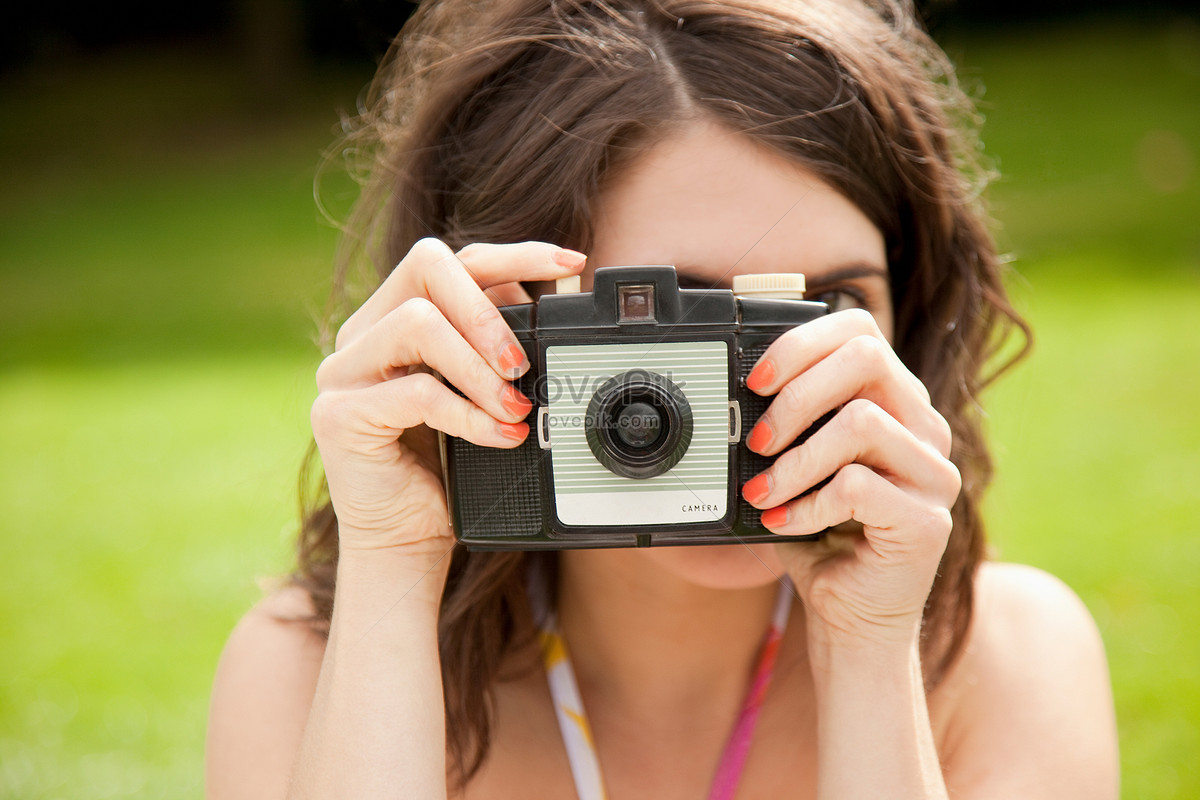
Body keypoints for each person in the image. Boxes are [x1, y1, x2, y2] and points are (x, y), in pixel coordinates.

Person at [205, 0, 1119, 797]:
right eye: (677, 318)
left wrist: (870, 651)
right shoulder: (308, 670)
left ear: (907, 317)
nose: (752, 397)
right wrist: (395, 563)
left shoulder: (1009, 657)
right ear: (482, 321)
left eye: (828, 308)